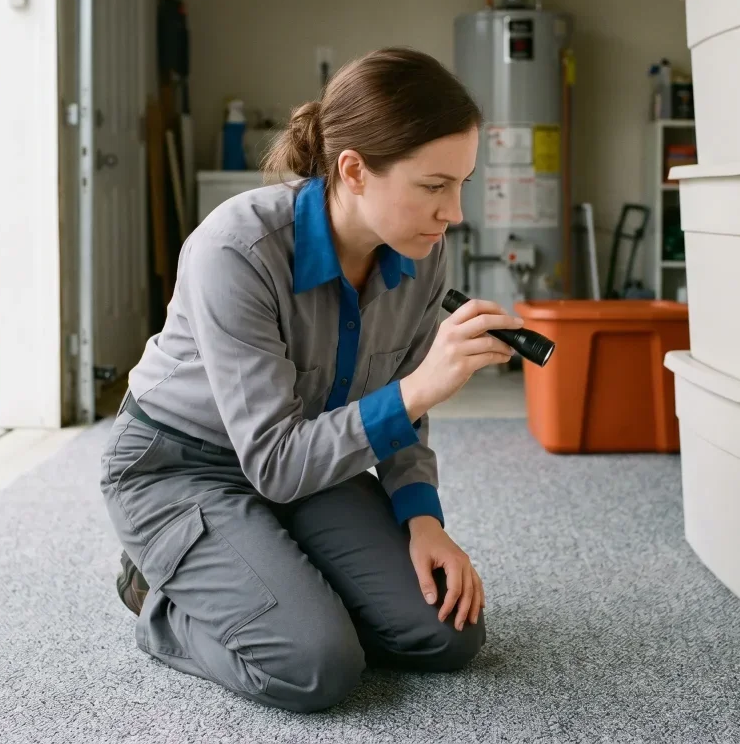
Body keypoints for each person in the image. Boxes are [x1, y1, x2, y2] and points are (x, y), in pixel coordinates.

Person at [98, 47, 524, 713]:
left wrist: (422, 516)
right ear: (353, 170)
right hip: (181, 467)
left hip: (309, 460)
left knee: (446, 635)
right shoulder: (236, 251)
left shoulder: (422, 254)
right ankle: (154, 595)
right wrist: (422, 386)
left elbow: (395, 417)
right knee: (315, 664)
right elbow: (275, 459)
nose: (454, 213)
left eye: (462, 184)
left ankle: (267, 565)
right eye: (435, 185)